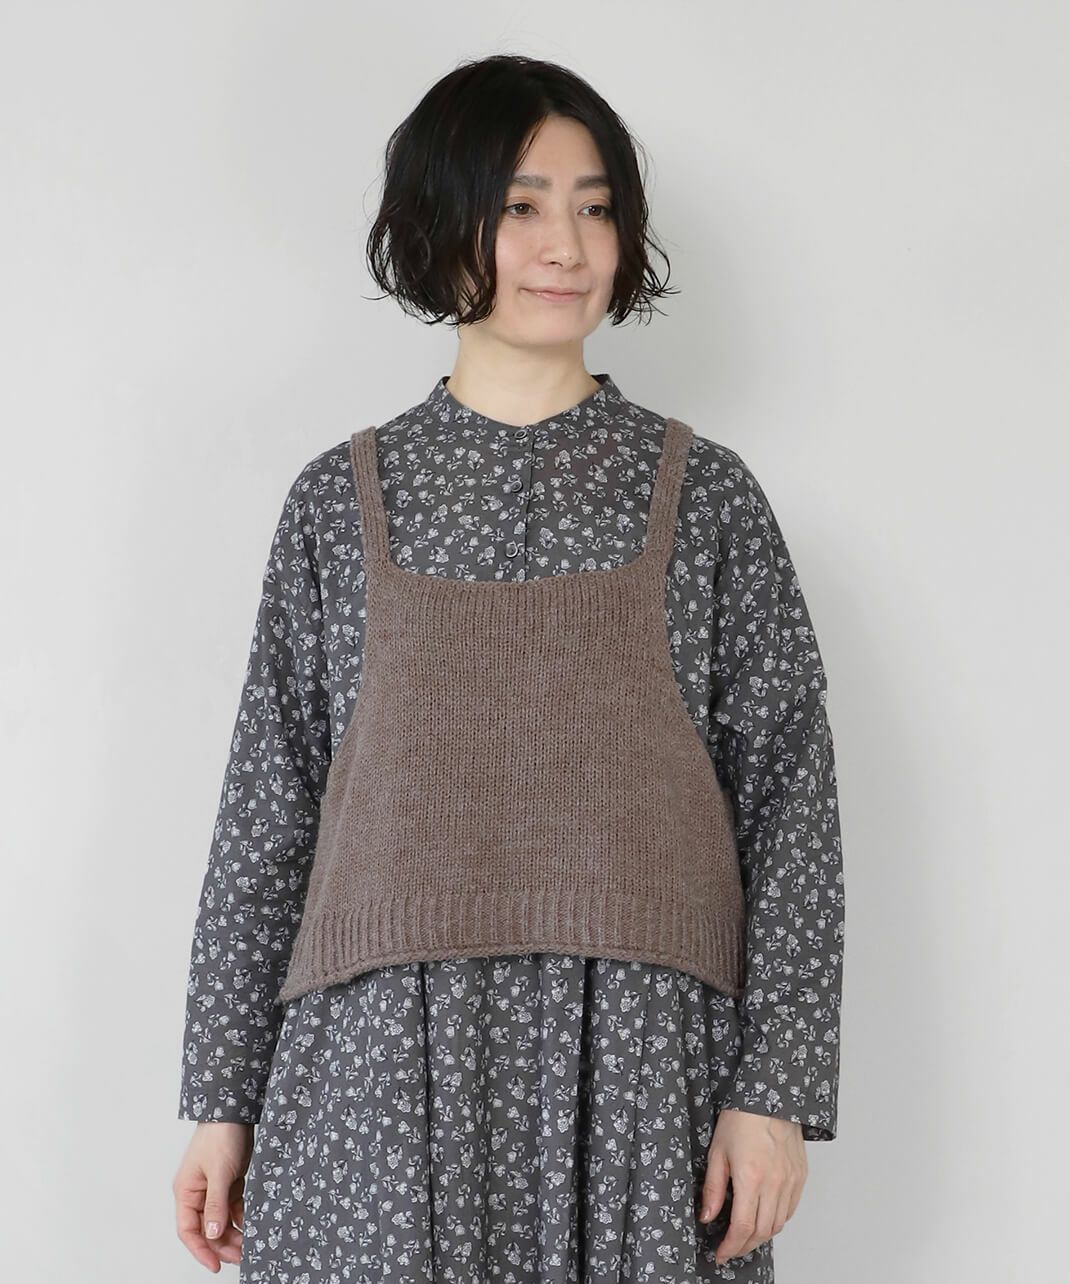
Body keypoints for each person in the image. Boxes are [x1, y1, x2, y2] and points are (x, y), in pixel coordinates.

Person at [172, 53, 845, 1283]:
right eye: (520, 205)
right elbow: (268, 812)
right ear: (440, 223)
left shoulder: (705, 498)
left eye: (595, 207)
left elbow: (789, 804)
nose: (566, 246)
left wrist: (775, 1090)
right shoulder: (336, 504)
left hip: (641, 1067)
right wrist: (223, 1099)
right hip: (378, 1070)